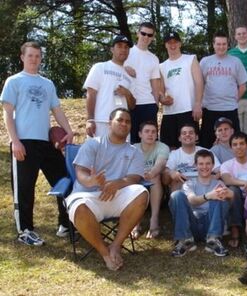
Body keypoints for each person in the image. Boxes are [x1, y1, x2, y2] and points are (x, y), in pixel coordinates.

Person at [1, 41, 74, 245]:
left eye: (38, 55)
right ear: (22, 57)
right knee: (24, 188)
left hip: (46, 142)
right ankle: (25, 230)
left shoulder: (47, 84)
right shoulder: (14, 81)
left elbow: (57, 110)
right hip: (24, 142)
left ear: (41, 58)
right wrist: (15, 141)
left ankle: (65, 224)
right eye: (30, 55)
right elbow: (7, 113)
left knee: (64, 180)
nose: (34, 59)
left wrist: (68, 131)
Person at [65, 108, 149, 271]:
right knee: (79, 207)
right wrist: (91, 180)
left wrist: (116, 184)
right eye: (120, 120)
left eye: (128, 121)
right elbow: (80, 172)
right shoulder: (93, 144)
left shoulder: (134, 152)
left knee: (141, 192)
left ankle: (116, 246)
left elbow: (134, 178)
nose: (124, 124)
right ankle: (105, 253)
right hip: (89, 196)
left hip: (116, 196)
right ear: (110, 123)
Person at [169, 149, 233, 257]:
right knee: (176, 195)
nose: (204, 167)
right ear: (195, 165)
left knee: (222, 196)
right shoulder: (189, 183)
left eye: (208, 163)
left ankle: (213, 240)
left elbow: (231, 195)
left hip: (211, 224)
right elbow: (192, 200)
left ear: (213, 165)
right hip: (192, 224)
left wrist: (228, 193)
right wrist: (209, 195)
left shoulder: (218, 183)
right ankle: (185, 240)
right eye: (201, 164)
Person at [199, 31, 247, 148]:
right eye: (218, 44)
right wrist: (199, 103)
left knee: (234, 143)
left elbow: (243, 86)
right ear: (213, 44)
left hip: (230, 108)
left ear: (228, 45)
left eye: (224, 44)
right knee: (207, 143)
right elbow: (199, 84)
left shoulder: (235, 61)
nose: (221, 47)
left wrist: (233, 99)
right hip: (210, 108)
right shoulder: (205, 61)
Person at [84, 35, 135, 138]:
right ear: (112, 49)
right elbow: (91, 93)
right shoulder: (100, 67)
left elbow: (132, 105)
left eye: (126, 47)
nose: (123, 50)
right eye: (120, 46)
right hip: (100, 123)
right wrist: (90, 119)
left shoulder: (130, 76)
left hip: (122, 126)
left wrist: (127, 94)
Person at [159, 31, 204, 149]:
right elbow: (161, 90)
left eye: (175, 42)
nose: (172, 45)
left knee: (190, 145)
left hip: (188, 110)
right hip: (170, 112)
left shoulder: (190, 59)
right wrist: (163, 99)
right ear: (165, 45)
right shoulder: (162, 66)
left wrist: (198, 104)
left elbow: (199, 82)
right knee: (169, 146)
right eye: (169, 43)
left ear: (180, 43)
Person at [220, 132, 247, 247]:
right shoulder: (226, 164)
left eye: (241, 143)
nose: (238, 147)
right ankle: (235, 231)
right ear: (231, 147)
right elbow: (227, 180)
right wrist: (245, 183)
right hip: (237, 200)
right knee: (232, 189)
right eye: (235, 144)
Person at [124, 22, 161, 144]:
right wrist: (124, 69)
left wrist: (156, 105)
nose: (146, 37)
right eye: (143, 33)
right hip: (130, 103)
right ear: (137, 33)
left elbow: (155, 82)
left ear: (153, 37)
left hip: (148, 104)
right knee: (132, 140)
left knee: (150, 141)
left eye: (150, 35)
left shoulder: (154, 58)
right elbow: (114, 68)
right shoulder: (126, 53)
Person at [132, 121, 170, 239]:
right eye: (147, 131)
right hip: (137, 178)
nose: (150, 134)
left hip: (154, 178)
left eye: (153, 132)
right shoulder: (133, 148)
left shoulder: (162, 147)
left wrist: (151, 173)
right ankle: (135, 221)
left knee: (156, 176)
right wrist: (139, 175)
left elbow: (161, 163)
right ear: (140, 134)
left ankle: (154, 219)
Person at [163, 123, 220, 192]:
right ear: (179, 138)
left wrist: (213, 177)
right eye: (184, 133)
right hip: (182, 185)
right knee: (175, 184)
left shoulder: (206, 152)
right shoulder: (174, 154)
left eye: (191, 133)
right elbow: (166, 176)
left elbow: (221, 170)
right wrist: (171, 173)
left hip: (203, 185)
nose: (187, 135)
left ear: (196, 137)